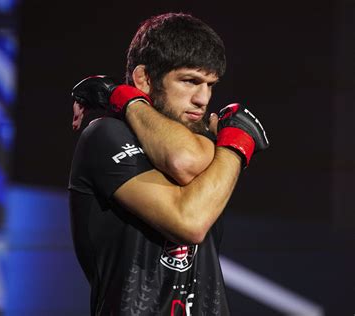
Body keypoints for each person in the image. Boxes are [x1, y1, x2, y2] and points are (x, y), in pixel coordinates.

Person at [68, 12, 269, 315]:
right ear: (145, 79)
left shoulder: (205, 144)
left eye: (210, 85)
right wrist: (237, 145)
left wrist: (122, 97)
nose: (203, 98)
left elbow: (187, 155)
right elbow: (188, 217)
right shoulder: (106, 134)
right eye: (190, 81)